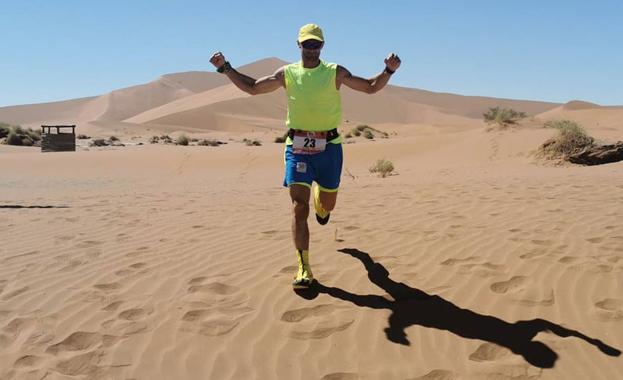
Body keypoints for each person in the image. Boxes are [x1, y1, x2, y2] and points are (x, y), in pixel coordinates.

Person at [210, 23, 401, 288]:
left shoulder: (335, 72)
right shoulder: (287, 73)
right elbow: (253, 87)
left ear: (322, 46)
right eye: (307, 44)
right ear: (298, 45)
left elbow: (370, 87)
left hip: (330, 147)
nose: (311, 49)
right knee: (299, 208)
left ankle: (322, 205)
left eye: (316, 44)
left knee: (327, 204)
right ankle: (304, 268)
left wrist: (388, 71)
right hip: (297, 146)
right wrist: (226, 68)